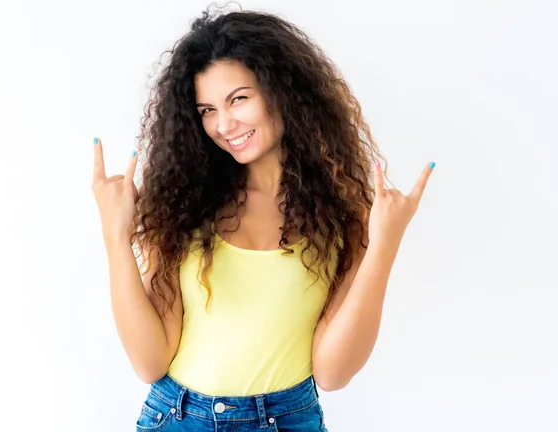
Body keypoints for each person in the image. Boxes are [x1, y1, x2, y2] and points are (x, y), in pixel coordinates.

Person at [91, 5, 435, 431]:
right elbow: (149, 362)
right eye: (207, 110)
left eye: (238, 99)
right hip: (180, 417)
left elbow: (333, 373)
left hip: (286, 419)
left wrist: (384, 243)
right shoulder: (187, 206)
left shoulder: (344, 216)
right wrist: (115, 236)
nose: (223, 124)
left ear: (281, 92)